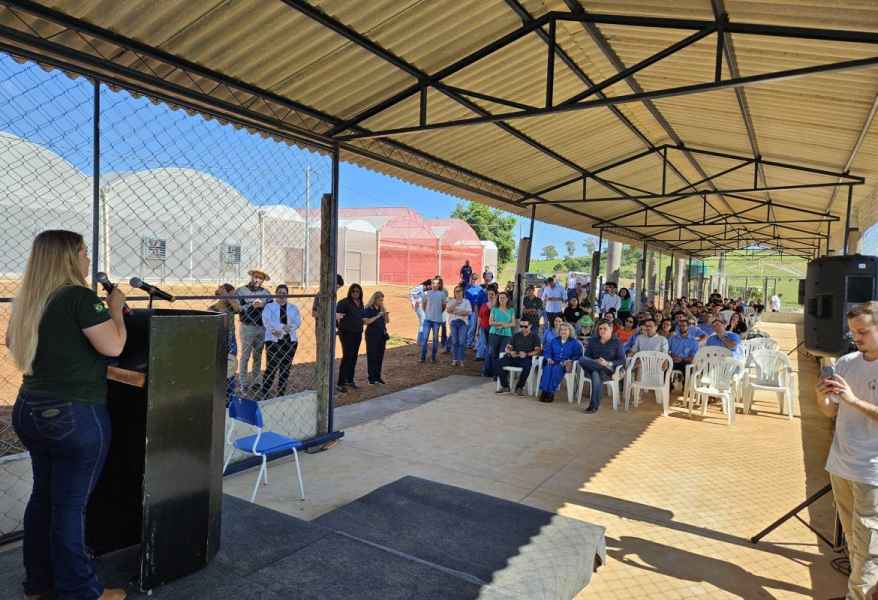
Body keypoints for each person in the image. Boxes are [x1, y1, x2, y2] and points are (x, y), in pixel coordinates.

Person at [8, 230, 128, 600]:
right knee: (69, 508)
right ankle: (80, 591)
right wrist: (115, 308)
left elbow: (14, 342)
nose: (88, 258)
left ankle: (38, 584)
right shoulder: (80, 297)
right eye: (84, 252)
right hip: (74, 415)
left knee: (43, 498)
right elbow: (114, 346)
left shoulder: (29, 299)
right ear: (69, 257)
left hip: (29, 409)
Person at [816, 302, 878, 600]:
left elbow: (853, 403)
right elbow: (830, 412)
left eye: (863, 331)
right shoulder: (846, 362)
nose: (856, 338)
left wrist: (853, 400)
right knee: (854, 541)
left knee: (869, 549)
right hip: (841, 465)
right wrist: (822, 396)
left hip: (871, 472)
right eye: (853, 332)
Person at [260, 284, 301, 399]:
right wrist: (282, 327)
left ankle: (281, 392)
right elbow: (266, 321)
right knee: (271, 367)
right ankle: (265, 391)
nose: (282, 295)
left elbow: (297, 322)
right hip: (273, 340)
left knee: (285, 368)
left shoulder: (293, 308)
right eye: (279, 293)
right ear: (276, 294)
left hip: (290, 341)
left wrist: (288, 328)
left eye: (284, 293)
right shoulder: (269, 307)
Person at [578, 320, 625, 413]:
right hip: (592, 368)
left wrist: (608, 363)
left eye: (605, 328)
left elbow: (622, 360)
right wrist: (596, 361)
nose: (602, 331)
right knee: (582, 359)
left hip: (608, 371)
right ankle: (594, 406)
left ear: (611, 329)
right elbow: (587, 357)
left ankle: (593, 406)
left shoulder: (617, 343)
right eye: (600, 328)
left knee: (596, 374)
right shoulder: (593, 341)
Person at [235, 268, 271, 388]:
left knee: (257, 355)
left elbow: (272, 308)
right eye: (256, 277)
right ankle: (243, 382)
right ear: (251, 277)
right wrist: (251, 306)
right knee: (245, 355)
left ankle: (256, 381)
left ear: (263, 280)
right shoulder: (241, 291)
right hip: (247, 327)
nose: (257, 280)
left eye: (260, 278)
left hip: (262, 327)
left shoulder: (266, 293)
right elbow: (236, 308)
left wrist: (263, 305)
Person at [495, 317, 542, 395]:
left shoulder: (535, 337)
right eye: (521, 326)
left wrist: (526, 354)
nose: (523, 328)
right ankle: (505, 386)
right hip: (513, 357)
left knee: (527, 366)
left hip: (525, 358)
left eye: (525, 326)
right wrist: (510, 352)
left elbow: (538, 351)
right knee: (498, 363)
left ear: (530, 326)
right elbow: (508, 347)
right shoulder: (516, 335)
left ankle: (519, 387)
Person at [538, 323, 582, 403]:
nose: (563, 331)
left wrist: (569, 360)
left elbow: (578, 355)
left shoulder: (574, 342)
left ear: (570, 331)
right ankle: (544, 391)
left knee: (556, 369)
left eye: (565, 330)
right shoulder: (554, 340)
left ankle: (551, 392)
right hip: (553, 361)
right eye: (561, 330)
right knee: (547, 368)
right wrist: (549, 358)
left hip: (564, 364)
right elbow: (547, 351)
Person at [336, 283, 365, 392]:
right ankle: (340, 383)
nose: (355, 293)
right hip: (346, 334)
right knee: (347, 356)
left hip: (357, 333)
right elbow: (336, 315)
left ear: (360, 293)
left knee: (354, 356)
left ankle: (349, 380)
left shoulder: (360, 303)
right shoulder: (345, 302)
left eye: (357, 291)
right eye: (353, 291)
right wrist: (338, 328)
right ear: (350, 292)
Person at [485, 291, 515, 378]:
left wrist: (503, 325)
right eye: (500, 298)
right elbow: (490, 322)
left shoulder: (511, 310)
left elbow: (513, 323)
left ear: (507, 299)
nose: (501, 299)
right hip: (494, 334)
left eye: (503, 298)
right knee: (493, 353)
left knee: (502, 354)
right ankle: (495, 373)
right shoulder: (494, 309)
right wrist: (501, 324)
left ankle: (500, 374)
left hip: (506, 335)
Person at [362, 291, 390, 385]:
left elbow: (387, 321)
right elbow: (366, 322)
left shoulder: (382, 308)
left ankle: (378, 377)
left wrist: (386, 314)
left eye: (382, 300)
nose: (381, 302)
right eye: (380, 300)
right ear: (375, 299)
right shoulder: (368, 309)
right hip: (372, 336)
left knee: (379, 357)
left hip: (381, 335)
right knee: (372, 356)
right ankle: (372, 378)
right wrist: (378, 316)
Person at [209, 283, 241, 357]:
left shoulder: (231, 306)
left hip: (230, 336)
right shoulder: (213, 307)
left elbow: (238, 309)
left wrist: (228, 297)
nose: (233, 297)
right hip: (217, 337)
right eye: (232, 295)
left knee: (232, 357)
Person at [420, 278, 447, 363]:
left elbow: (444, 306)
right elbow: (423, 305)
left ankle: (433, 357)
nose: (435, 285)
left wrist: (437, 313)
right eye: (433, 283)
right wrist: (428, 313)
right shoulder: (426, 293)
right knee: (424, 339)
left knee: (435, 339)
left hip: (437, 321)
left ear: (439, 285)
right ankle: (422, 357)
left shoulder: (442, 294)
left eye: (437, 283)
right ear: (431, 285)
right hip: (427, 320)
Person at [446, 285, 472, 366]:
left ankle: (461, 359)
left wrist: (457, 312)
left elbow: (469, 312)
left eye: (459, 291)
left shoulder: (466, 301)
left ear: (462, 292)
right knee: (454, 341)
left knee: (461, 342)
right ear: (454, 293)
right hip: (453, 323)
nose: (458, 293)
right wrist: (456, 304)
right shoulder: (451, 301)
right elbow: (448, 310)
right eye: (456, 291)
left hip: (463, 323)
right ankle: (454, 359)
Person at [668, 320, 700, 386]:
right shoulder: (672, 338)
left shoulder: (693, 341)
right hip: (672, 360)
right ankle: (668, 388)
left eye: (684, 326)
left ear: (688, 327)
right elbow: (666, 351)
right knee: (666, 366)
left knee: (689, 368)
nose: (681, 327)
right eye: (679, 326)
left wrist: (682, 359)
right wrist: (671, 356)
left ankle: (686, 388)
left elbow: (693, 357)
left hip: (685, 362)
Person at [464, 274, 487, 350]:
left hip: (475, 311)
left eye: (475, 279)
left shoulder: (479, 289)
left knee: (473, 327)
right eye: (472, 278)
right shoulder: (466, 287)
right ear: (470, 278)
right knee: (468, 327)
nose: (473, 280)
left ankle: (469, 343)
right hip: (467, 310)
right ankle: (467, 342)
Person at [476, 289, 496, 362]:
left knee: (490, 343)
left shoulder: (498, 306)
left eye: (492, 294)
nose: (490, 296)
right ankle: (480, 356)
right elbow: (479, 317)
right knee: (482, 341)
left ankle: (488, 356)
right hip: (483, 327)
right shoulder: (484, 305)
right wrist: (477, 329)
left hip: (493, 328)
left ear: (495, 296)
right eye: (489, 294)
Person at [409, 278, 429, 345]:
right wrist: (413, 302)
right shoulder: (420, 287)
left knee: (423, 323)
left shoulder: (426, 290)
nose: (431, 287)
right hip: (419, 306)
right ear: (427, 285)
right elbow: (411, 292)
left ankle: (420, 340)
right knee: (423, 323)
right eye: (430, 286)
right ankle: (419, 341)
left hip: (422, 306)